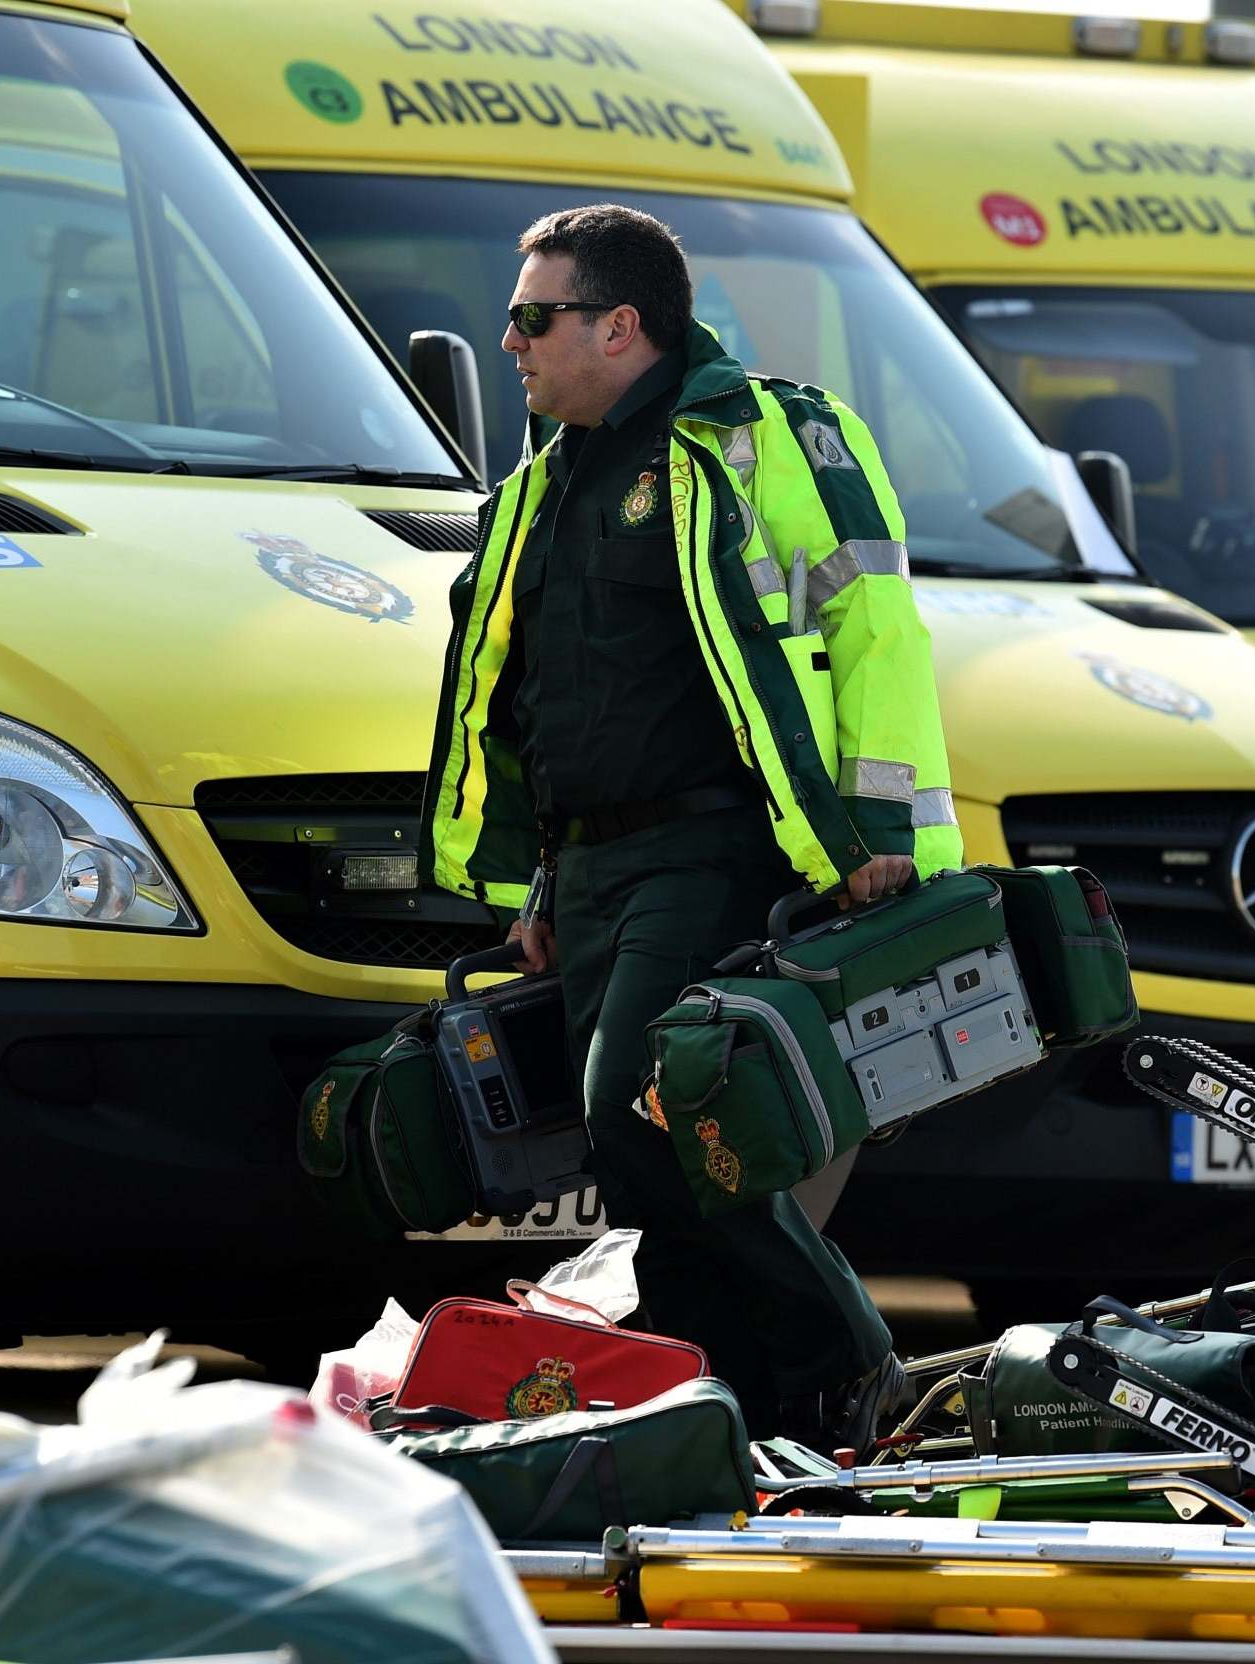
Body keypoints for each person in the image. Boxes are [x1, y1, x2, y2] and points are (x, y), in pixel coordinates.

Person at [422, 204, 959, 1451]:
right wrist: (541, 879)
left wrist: (875, 830)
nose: (509, 342)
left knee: (643, 1117)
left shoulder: (767, 435)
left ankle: (858, 1360)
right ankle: (731, 1412)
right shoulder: (545, 480)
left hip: (719, 847)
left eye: (531, 316)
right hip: (597, 864)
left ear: (622, 325)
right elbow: (545, 698)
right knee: (651, 1163)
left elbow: (873, 629)